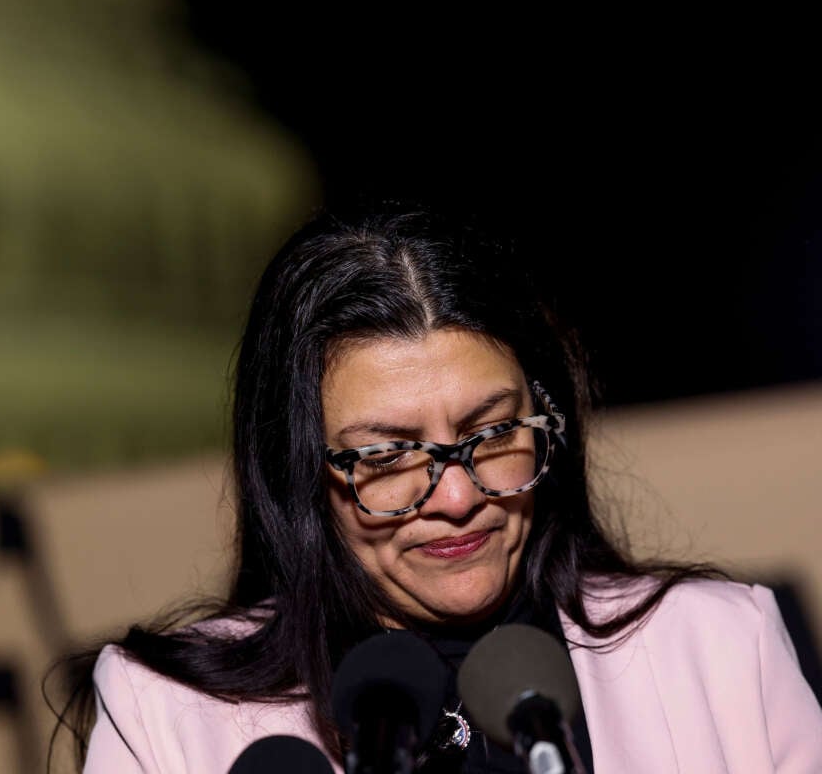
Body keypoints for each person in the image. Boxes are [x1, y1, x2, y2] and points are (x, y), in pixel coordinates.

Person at [46, 204, 822, 773]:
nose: (456, 498)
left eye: (493, 435)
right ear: (297, 476)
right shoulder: (169, 715)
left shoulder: (721, 649)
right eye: (386, 457)